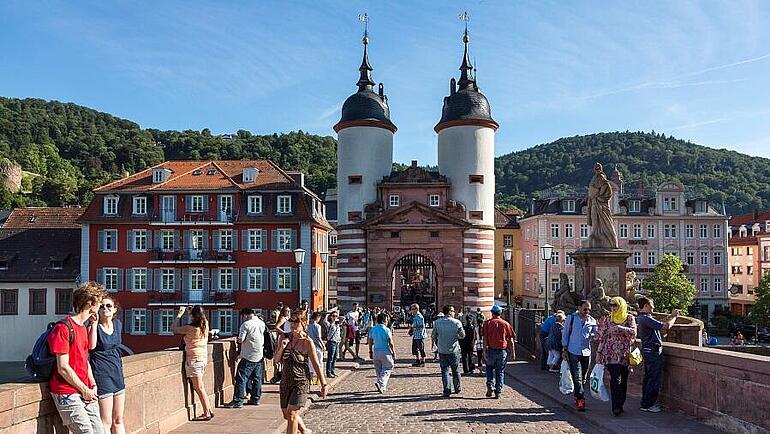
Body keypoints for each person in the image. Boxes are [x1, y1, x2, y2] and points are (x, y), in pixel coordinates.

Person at [49, 282, 106, 434]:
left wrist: (92, 384)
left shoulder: (82, 327)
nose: (100, 308)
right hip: (67, 391)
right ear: (90, 304)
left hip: (85, 390)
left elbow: (84, 360)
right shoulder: (63, 327)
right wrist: (84, 389)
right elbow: (63, 367)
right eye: (99, 303)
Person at [274, 309, 327, 434]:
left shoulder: (307, 342)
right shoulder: (284, 337)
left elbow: (316, 364)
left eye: (296, 321)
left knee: (292, 414)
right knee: (286, 415)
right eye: (291, 321)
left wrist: (324, 384)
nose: (293, 324)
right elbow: (276, 360)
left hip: (301, 381)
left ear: (304, 323)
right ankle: (304, 430)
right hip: (285, 381)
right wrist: (282, 347)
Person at [88, 295, 126, 434]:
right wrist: (93, 324)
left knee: (118, 419)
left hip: (117, 373)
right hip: (102, 374)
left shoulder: (117, 324)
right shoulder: (94, 327)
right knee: (106, 421)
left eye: (108, 306)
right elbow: (91, 346)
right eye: (102, 306)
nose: (105, 308)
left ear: (115, 309)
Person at [595, 297, 637, 416]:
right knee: (615, 380)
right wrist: (598, 352)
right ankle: (615, 407)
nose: (613, 308)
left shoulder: (629, 318)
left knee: (623, 380)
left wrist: (620, 328)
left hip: (624, 355)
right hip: (610, 354)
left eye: (615, 305)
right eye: (611, 305)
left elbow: (634, 332)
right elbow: (603, 337)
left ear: (621, 306)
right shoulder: (608, 319)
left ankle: (620, 403)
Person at [637, 296, 678, 413]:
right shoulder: (645, 318)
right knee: (653, 378)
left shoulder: (643, 318)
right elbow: (666, 326)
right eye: (651, 305)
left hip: (649, 350)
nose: (653, 307)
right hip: (653, 351)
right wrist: (674, 316)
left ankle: (645, 403)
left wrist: (669, 317)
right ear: (645, 306)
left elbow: (660, 323)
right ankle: (648, 404)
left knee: (649, 378)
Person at [173, 306, 213, 421]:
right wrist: (192, 311)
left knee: (199, 387)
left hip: (194, 359)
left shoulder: (190, 328)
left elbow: (174, 329)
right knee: (200, 387)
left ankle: (207, 413)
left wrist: (179, 315)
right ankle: (209, 410)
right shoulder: (205, 324)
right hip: (202, 358)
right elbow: (199, 316)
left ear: (193, 316)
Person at [225, 308, 266, 408]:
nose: (243, 319)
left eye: (243, 317)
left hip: (248, 355)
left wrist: (238, 340)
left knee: (241, 378)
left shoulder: (246, 325)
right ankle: (255, 398)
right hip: (259, 354)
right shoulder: (261, 323)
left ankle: (238, 400)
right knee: (257, 378)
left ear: (245, 315)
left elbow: (241, 339)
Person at [561, 300, 598, 412]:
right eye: (585, 309)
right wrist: (564, 349)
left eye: (589, 309)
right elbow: (565, 333)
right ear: (579, 307)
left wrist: (594, 334)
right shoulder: (571, 318)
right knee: (577, 376)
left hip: (586, 352)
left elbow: (595, 335)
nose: (587, 311)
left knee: (583, 378)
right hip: (573, 351)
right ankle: (581, 400)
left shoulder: (592, 321)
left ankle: (577, 395)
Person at [482, 305, 516, 399]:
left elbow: (485, 338)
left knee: (489, 369)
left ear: (492, 313)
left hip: (491, 350)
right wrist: (513, 352)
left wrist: (484, 351)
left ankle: (490, 385)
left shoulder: (487, 323)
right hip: (502, 351)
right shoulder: (506, 324)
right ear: (500, 313)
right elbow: (511, 340)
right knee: (500, 371)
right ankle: (498, 390)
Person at [431, 305, 465, 398]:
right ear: (450, 312)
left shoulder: (437, 323)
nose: (454, 313)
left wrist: (439, 343)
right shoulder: (457, 322)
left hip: (442, 351)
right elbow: (462, 335)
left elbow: (433, 336)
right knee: (456, 370)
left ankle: (447, 390)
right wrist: (456, 337)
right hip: (454, 350)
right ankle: (457, 388)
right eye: (453, 311)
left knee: (445, 371)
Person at [368, 313, 396, 393]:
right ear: (384, 321)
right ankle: (381, 382)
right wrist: (393, 352)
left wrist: (370, 351)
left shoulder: (373, 329)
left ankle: (381, 386)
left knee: (378, 370)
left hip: (376, 351)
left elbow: (370, 341)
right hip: (385, 352)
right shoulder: (386, 329)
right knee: (388, 367)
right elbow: (390, 342)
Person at [307, 312, 325, 384]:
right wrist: (323, 345)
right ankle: (318, 379)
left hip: (310, 347)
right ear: (318, 317)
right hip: (317, 347)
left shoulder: (308, 326)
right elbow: (318, 337)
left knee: (310, 363)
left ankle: (311, 379)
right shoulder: (318, 326)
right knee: (319, 363)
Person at [325, 312, 341, 378]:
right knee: (330, 358)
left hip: (337, 342)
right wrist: (327, 314)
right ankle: (328, 372)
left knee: (335, 358)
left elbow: (343, 318)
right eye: (333, 316)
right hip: (331, 342)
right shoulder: (329, 324)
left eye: (336, 316)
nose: (335, 317)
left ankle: (332, 371)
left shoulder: (337, 324)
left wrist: (338, 317)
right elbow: (324, 321)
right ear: (331, 317)